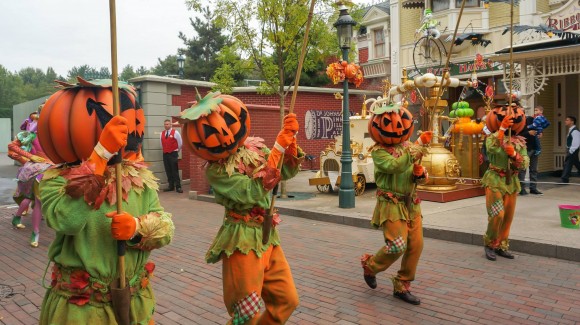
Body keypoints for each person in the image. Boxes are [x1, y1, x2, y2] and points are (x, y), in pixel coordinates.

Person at [39, 81, 174, 325]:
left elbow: (165, 227)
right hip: (82, 311)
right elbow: (66, 220)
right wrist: (100, 154)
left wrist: (136, 228)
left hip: (136, 304)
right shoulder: (55, 181)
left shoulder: (137, 179)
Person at [360, 127, 432, 306]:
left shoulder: (409, 147)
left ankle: (402, 284)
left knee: (416, 245)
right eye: (390, 124)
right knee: (397, 246)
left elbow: (419, 176)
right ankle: (371, 267)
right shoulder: (379, 152)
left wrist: (420, 175)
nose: (396, 127)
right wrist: (420, 144)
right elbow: (395, 166)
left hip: (411, 204)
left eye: (400, 122)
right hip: (391, 204)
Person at [481, 107, 529, 261]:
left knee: (507, 216)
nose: (511, 120)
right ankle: (490, 243)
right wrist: (502, 129)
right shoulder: (492, 137)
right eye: (505, 118)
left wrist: (514, 155)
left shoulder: (519, 142)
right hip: (494, 179)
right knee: (497, 214)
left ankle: (502, 245)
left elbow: (525, 163)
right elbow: (492, 150)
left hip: (511, 182)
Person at [518, 115, 542, 195]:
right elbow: (518, 135)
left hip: (534, 148)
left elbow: (538, 131)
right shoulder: (520, 122)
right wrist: (528, 133)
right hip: (525, 149)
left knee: (534, 169)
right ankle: (522, 188)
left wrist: (540, 133)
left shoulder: (532, 120)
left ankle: (533, 188)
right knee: (523, 169)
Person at [160, 119, 183, 193]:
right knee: (168, 170)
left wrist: (176, 150)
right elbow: (161, 144)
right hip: (165, 154)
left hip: (173, 153)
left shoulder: (175, 132)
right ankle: (171, 186)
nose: (166, 125)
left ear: (170, 125)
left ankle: (178, 187)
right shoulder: (162, 133)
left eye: (167, 124)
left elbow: (180, 143)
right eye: (165, 124)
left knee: (174, 170)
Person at [561, 115, 580, 184]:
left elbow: (576, 142)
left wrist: (571, 151)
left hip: (573, 150)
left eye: (567, 120)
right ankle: (564, 178)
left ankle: (564, 179)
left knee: (568, 163)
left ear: (572, 122)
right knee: (576, 163)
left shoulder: (575, 131)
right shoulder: (571, 130)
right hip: (571, 149)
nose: (565, 121)